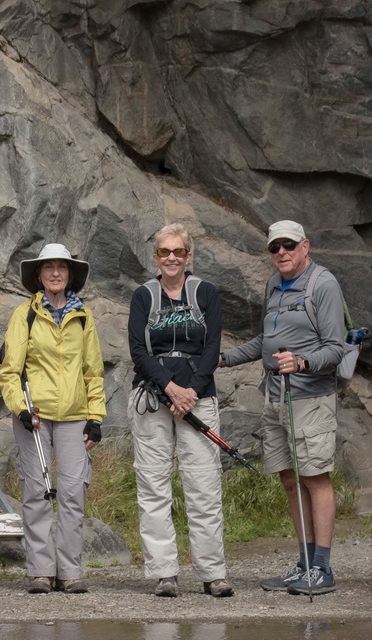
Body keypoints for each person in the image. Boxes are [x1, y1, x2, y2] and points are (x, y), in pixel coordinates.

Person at [220, 220, 344, 596]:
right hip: (275, 395)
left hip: (309, 396)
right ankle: (304, 564)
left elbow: (335, 348)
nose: (282, 253)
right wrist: (221, 359)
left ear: (305, 245)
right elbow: (265, 339)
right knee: (289, 480)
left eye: (289, 245)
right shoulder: (274, 283)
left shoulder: (324, 284)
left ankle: (322, 569)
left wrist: (302, 361)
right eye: (275, 247)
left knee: (314, 477)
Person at [127, 223, 232, 598]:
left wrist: (191, 391)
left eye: (178, 252)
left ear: (188, 256)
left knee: (203, 485)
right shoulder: (144, 296)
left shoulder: (205, 293)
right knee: (153, 485)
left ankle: (213, 573)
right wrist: (170, 388)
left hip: (199, 397)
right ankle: (164, 573)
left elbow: (212, 346)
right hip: (154, 398)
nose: (171, 258)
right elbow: (139, 351)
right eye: (164, 252)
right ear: (155, 258)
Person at [0, 243, 106, 594]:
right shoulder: (23, 315)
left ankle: (70, 571)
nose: (56, 273)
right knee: (38, 491)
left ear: (70, 274)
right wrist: (21, 409)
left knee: (74, 492)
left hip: (75, 416)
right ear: (39, 275)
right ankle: (41, 571)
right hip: (36, 417)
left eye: (62, 267)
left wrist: (96, 417)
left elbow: (93, 371)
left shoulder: (83, 316)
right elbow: (10, 371)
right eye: (49, 267)